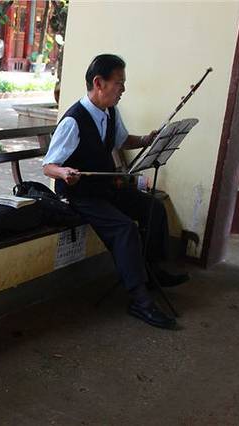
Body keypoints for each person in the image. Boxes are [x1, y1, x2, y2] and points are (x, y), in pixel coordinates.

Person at [42, 54, 189, 330]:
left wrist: (146, 139)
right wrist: (64, 173)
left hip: (105, 187)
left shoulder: (110, 112)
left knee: (153, 208)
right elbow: (49, 166)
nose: (123, 89)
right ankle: (140, 300)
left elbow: (122, 140)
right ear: (99, 83)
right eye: (119, 83)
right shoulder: (73, 120)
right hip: (80, 195)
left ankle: (152, 271)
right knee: (124, 228)